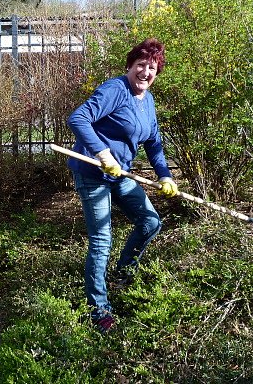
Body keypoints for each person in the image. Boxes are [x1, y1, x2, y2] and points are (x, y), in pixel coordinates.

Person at [66, 38, 179, 333]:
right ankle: (98, 309)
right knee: (102, 241)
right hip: (93, 173)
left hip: (120, 175)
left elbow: (154, 142)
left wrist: (165, 175)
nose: (145, 72)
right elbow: (78, 118)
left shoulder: (147, 100)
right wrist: (102, 154)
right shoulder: (116, 90)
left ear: (157, 72)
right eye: (140, 65)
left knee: (150, 221)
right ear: (129, 66)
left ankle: (124, 272)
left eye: (151, 67)